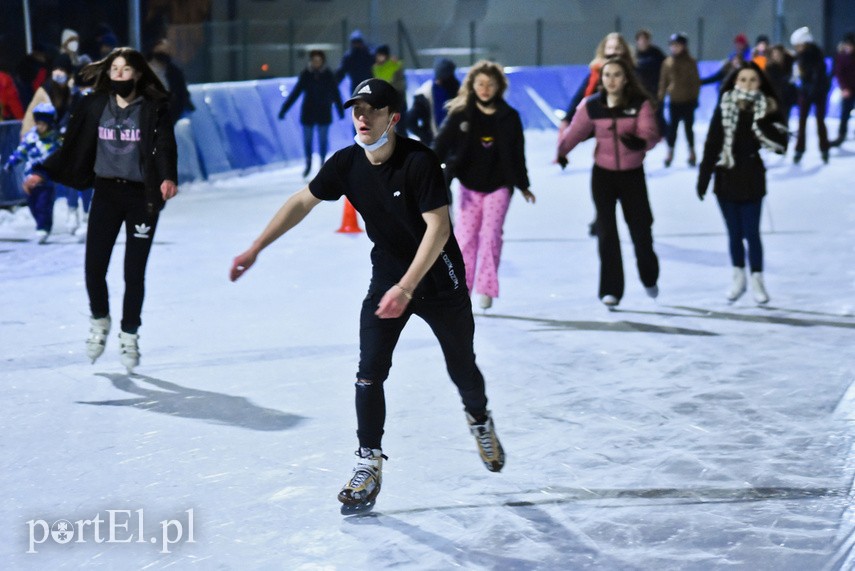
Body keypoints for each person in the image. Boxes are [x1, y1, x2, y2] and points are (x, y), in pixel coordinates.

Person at [230, 78, 505, 511]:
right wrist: (256, 247)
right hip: (388, 280)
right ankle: (368, 461)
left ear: (392, 118)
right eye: (356, 109)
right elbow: (303, 201)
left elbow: (439, 229)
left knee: (462, 365)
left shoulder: (420, 161)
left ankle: (479, 419)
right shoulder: (346, 163)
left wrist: (407, 287)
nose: (361, 117)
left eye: (372, 110)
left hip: (438, 282)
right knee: (369, 371)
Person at [27, 47, 178, 372]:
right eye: (114, 69)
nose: (120, 74)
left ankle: (129, 333)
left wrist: (167, 177)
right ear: (107, 74)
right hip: (107, 193)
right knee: (94, 268)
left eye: (126, 69)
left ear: (137, 73)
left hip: (142, 197)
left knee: (133, 272)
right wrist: (43, 170)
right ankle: (100, 320)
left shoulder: (153, 107)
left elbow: (164, 144)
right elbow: (72, 146)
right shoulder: (94, 105)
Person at [556, 57, 661, 307]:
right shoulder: (592, 105)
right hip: (603, 176)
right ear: (601, 79)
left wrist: (641, 143)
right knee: (607, 233)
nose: (611, 80)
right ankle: (610, 289)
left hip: (632, 176)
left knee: (641, 231)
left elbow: (651, 133)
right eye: (607, 75)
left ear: (625, 79)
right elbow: (575, 132)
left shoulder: (639, 103)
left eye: (616, 75)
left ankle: (649, 276)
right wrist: (561, 152)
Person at [432, 60, 535, 310]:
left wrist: (523, 185)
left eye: (490, 84)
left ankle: (486, 288)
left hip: (500, 186)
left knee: (490, 236)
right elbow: (440, 145)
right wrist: (426, 169)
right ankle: (462, 289)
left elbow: (518, 154)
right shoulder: (461, 114)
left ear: (499, 86)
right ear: (472, 86)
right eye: (480, 83)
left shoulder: (509, 117)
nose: (485, 88)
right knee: (465, 238)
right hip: (469, 186)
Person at [696, 60, 788, 304]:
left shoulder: (767, 109)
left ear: (760, 83)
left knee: (751, 232)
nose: (748, 84)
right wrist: (703, 178)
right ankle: (739, 276)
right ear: (735, 81)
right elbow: (712, 143)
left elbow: (781, 144)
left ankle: (757, 278)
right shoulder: (724, 105)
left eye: (753, 80)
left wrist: (762, 123)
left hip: (752, 179)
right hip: (725, 178)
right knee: (734, 233)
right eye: (743, 79)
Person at [558, 32, 634, 237]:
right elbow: (582, 96)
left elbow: (645, 99)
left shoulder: (633, 72)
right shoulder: (596, 71)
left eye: (617, 47)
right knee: (605, 172)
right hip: (603, 127)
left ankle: (632, 219)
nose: (614, 51)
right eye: (610, 47)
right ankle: (602, 217)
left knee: (627, 176)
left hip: (627, 128)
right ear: (603, 50)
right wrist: (567, 119)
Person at [277, 49, 344, 178]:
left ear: (322, 61)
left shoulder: (328, 75)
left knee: (322, 140)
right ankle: (308, 162)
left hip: (324, 112)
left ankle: (323, 164)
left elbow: (335, 93)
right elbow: (296, 92)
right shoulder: (306, 74)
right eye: (314, 60)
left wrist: (340, 109)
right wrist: (284, 109)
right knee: (308, 140)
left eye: (318, 60)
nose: (316, 63)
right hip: (308, 112)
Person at [3, 103, 60, 243]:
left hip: (47, 176)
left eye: (43, 124)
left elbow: (61, 156)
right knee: (33, 203)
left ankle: (44, 227)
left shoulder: (55, 139)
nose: (40, 127)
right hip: (30, 173)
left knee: (44, 203)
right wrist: (11, 162)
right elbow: (21, 151)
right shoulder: (31, 137)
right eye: (38, 123)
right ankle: (40, 223)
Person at [658, 32, 701, 167]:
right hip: (674, 101)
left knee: (689, 129)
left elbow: (695, 81)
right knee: (672, 129)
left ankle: (692, 152)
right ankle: (670, 152)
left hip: (688, 101)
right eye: (672, 45)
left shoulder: (690, 62)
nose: (674, 48)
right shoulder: (667, 62)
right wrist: (661, 98)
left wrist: (695, 98)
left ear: (683, 46)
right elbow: (663, 81)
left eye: (677, 45)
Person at [790, 26, 830, 164]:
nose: (797, 48)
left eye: (798, 45)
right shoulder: (799, 57)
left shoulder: (816, 55)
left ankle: (824, 149)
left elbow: (819, 76)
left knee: (820, 121)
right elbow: (799, 76)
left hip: (818, 93)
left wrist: (812, 90)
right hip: (805, 93)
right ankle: (799, 150)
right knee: (802, 122)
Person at [406, 58, 460, 146]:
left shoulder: (455, 89)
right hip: (434, 144)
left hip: (453, 142)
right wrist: (425, 136)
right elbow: (410, 120)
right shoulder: (425, 93)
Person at [146, 38, 195, 126]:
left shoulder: (175, 72)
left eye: (167, 50)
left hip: (173, 112)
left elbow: (182, 95)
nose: (164, 52)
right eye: (161, 49)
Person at [634, 29, 667, 134]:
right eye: (641, 39)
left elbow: (666, 68)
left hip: (655, 90)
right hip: (639, 91)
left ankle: (663, 134)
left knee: (658, 113)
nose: (643, 42)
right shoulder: (634, 55)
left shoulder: (657, 53)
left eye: (645, 39)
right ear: (637, 41)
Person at [372, 44, 407, 135]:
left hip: (397, 100)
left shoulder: (394, 66)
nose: (377, 57)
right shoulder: (377, 68)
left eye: (380, 55)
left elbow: (400, 85)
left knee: (400, 127)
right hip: (385, 102)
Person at [830, 33, 855, 147]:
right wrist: (844, 88)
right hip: (848, 89)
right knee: (845, 113)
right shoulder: (842, 56)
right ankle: (841, 134)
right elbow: (839, 73)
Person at [335, 30, 374, 95]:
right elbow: (341, 72)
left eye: (358, 42)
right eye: (355, 42)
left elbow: (379, 64)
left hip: (368, 84)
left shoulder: (368, 54)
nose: (357, 45)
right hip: (356, 85)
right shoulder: (349, 56)